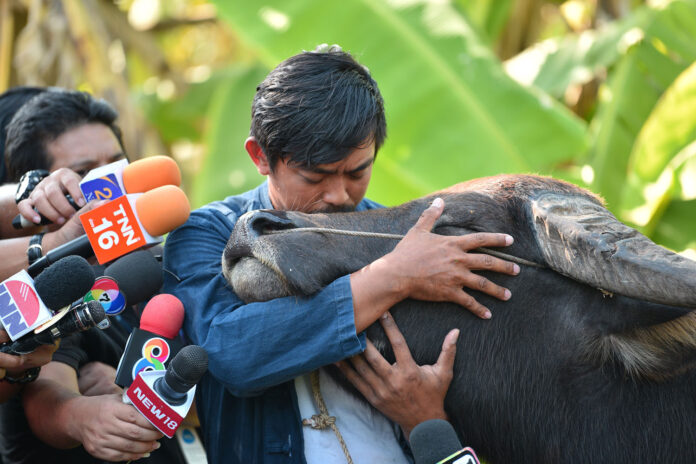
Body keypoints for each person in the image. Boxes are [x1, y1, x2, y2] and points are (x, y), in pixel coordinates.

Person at [162, 46, 520, 463]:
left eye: (357, 172)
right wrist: (392, 276)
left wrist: (425, 418)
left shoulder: (404, 236)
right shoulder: (207, 232)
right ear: (260, 156)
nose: (338, 195)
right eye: (314, 177)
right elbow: (231, 355)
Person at [0, 88, 180, 463]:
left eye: (118, 165)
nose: (111, 190)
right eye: (83, 175)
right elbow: (48, 398)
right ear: (40, 197)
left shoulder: (169, 259)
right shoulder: (54, 282)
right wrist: (85, 418)